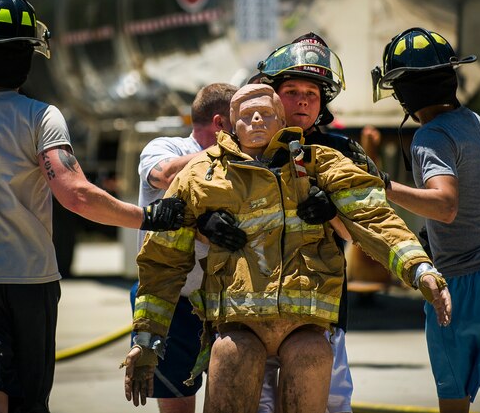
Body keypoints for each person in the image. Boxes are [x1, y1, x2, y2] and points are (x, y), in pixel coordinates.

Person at [0, 0, 184, 413]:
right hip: (28, 280)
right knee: (29, 402)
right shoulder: (40, 117)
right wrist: (146, 217)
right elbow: (76, 195)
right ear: (26, 55)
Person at [123, 83, 452, 413]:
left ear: (282, 122)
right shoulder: (201, 176)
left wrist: (419, 268)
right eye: (246, 115)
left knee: (312, 354)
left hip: (305, 324)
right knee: (232, 355)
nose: (256, 120)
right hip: (239, 326)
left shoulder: (319, 165)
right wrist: (147, 338)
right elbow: (162, 260)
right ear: (228, 124)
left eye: (266, 113)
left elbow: (372, 217)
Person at [371, 27, 480, 413]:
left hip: (463, 290)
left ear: (405, 91)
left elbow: (446, 204)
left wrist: (384, 186)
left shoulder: (431, 137)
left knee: (453, 406)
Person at [248, 32, 384, 413]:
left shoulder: (342, 153)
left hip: (320, 313)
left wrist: (333, 211)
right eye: (292, 90)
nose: (304, 99)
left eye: (313, 92)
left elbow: (366, 233)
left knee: (329, 404)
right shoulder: (242, 149)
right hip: (249, 313)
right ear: (272, 94)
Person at [130, 82, 241, 413]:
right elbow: (164, 175)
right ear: (221, 124)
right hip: (171, 305)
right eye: (242, 120)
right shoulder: (166, 147)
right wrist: (228, 150)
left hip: (225, 304)